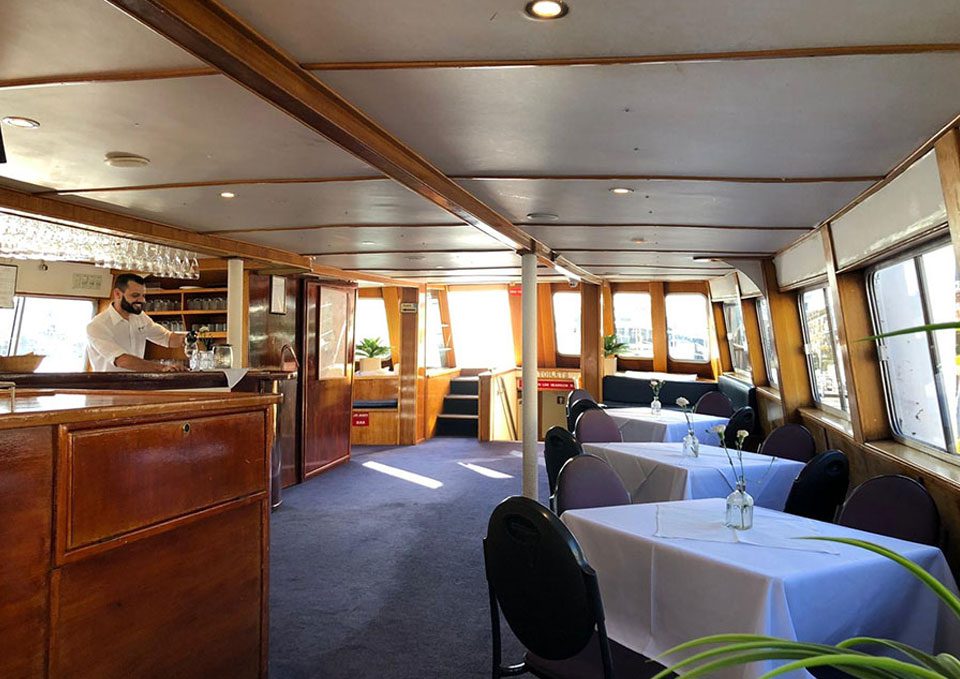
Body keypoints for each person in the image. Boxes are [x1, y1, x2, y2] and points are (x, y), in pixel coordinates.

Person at [86, 273, 191, 372]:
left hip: (137, 386)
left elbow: (167, 338)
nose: (142, 300)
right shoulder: (97, 326)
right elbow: (122, 360)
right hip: (110, 388)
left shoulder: (139, 317)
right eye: (135, 295)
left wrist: (190, 338)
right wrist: (162, 368)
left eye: (143, 295)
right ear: (117, 294)